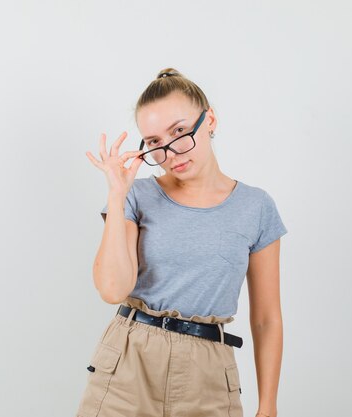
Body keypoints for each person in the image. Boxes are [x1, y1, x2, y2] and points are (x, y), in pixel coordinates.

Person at [79, 68, 288, 417]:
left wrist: (268, 405)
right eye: (155, 143)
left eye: (179, 131)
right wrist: (117, 197)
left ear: (209, 120)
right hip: (129, 363)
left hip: (208, 373)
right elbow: (113, 290)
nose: (171, 152)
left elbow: (266, 318)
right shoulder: (136, 196)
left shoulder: (256, 207)